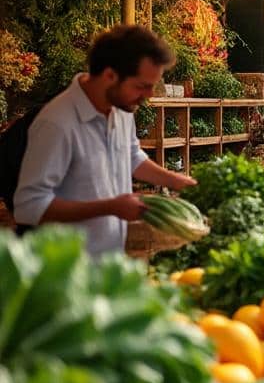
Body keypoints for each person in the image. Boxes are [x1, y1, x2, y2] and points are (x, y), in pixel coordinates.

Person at [12, 25, 197, 255]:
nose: (149, 96)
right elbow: (28, 206)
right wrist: (110, 207)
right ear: (110, 75)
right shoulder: (57, 123)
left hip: (109, 259)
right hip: (68, 268)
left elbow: (132, 157)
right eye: (142, 86)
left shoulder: (122, 110)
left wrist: (179, 182)